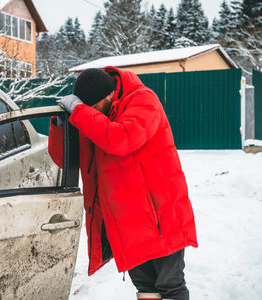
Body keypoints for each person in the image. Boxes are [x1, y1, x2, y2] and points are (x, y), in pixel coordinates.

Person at [47, 67, 198, 300]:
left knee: (170, 286)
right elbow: (66, 160)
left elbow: (122, 139)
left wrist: (80, 111)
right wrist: (60, 126)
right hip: (126, 223)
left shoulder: (143, 99)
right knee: (146, 288)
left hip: (160, 215)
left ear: (108, 96)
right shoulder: (96, 118)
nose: (89, 112)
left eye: (91, 107)